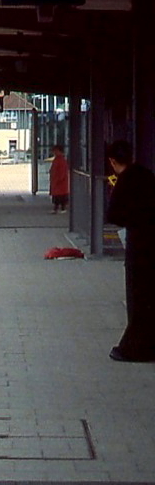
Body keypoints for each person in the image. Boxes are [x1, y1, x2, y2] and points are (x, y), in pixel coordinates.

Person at [105, 140, 155, 362]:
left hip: (138, 245)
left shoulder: (124, 181)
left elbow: (113, 215)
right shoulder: (147, 175)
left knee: (138, 296)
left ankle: (135, 348)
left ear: (113, 161)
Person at [49, 144, 69, 213]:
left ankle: (61, 208)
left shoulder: (60, 160)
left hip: (59, 181)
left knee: (59, 195)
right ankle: (58, 208)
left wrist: (59, 179)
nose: (54, 152)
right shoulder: (58, 159)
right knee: (58, 195)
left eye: (55, 151)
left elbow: (62, 171)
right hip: (58, 181)